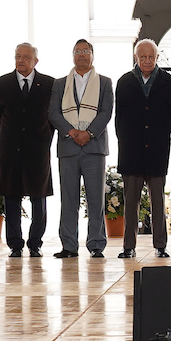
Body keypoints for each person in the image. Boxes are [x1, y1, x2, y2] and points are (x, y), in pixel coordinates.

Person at [0, 43, 56, 258]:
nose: (21, 60)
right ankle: (15, 244)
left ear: (36, 61)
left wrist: (45, 139)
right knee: (11, 197)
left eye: (26, 57)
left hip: (38, 150)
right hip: (10, 149)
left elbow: (53, 117)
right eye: (18, 56)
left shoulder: (49, 84)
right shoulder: (1, 83)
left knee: (39, 198)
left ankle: (35, 243)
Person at [113, 38, 171, 259]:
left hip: (158, 149)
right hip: (131, 150)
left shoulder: (168, 82)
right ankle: (128, 246)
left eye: (151, 57)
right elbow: (119, 118)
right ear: (136, 57)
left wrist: (160, 133)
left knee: (157, 200)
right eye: (143, 57)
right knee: (131, 201)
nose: (147, 61)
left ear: (157, 57)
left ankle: (160, 245)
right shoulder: (124, 82)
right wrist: (125, 141)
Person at [48, 39, 113, 259]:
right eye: (78, 51)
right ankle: (69, 245)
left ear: (92, 55)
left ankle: (96, 244)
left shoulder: (104, 82)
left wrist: (89, 133)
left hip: (94, 148)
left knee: (96, 199)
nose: (82, 54)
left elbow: (106, 112)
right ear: (72, 55)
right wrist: (72, 131)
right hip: (69, 147)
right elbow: (53, 112)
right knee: (69, 199)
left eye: (86, 51)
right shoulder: (60, 84)